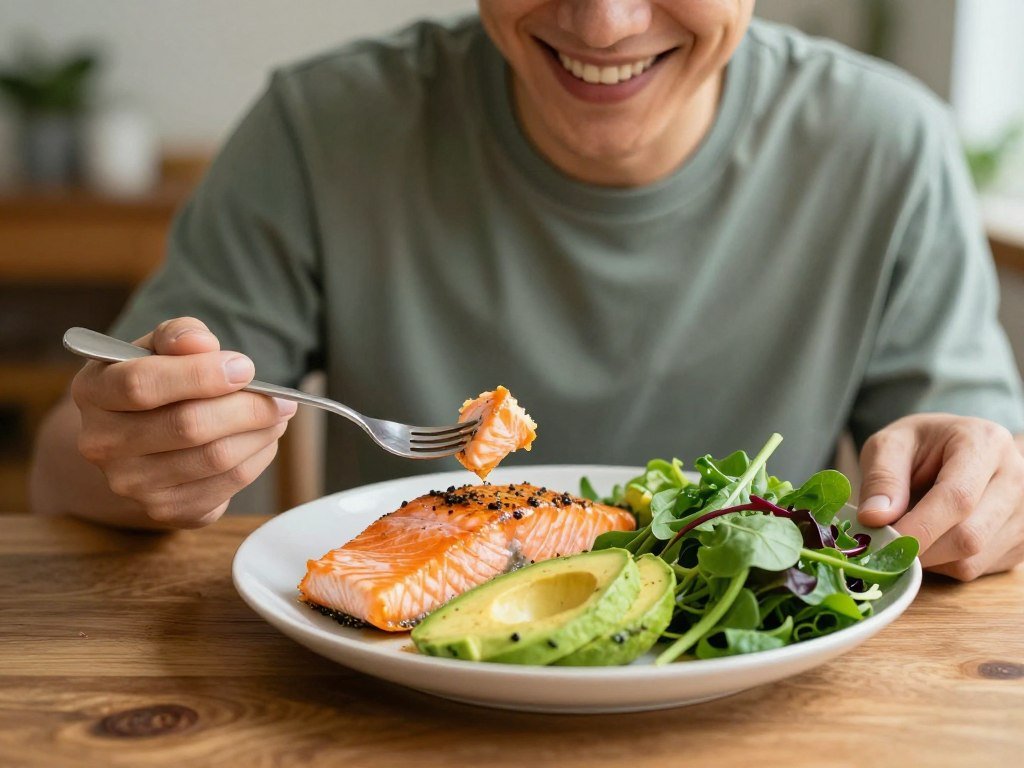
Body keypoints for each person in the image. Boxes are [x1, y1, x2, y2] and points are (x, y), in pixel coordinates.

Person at [29, 1, 1024, 581]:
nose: (603, 22)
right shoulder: (323, 126)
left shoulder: (888, 146)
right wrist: (146, 450)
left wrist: (977, 487)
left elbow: (986, 480)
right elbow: (70, 461)